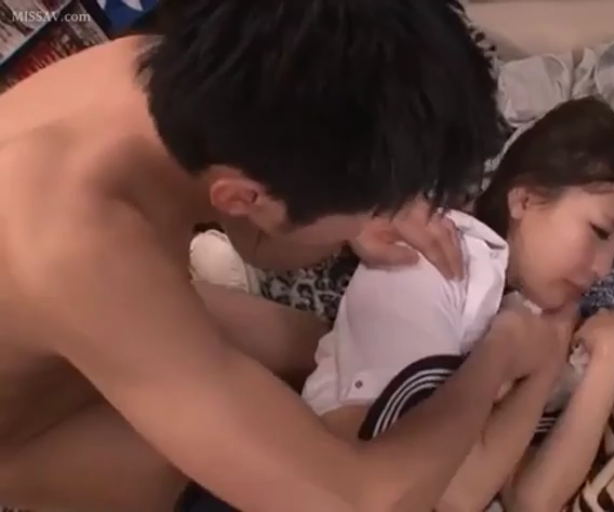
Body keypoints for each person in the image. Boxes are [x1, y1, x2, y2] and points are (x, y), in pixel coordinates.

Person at [0, 1, 568, 512]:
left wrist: (351, 218)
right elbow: (365, 502)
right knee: (181, 468)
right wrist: (498, 354)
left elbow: (258, 241)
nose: (384, 217)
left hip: (62, 319)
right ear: (243, 197)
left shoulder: (159, 72)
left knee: (318, 346)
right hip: (24, 431)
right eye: (373, 208)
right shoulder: (76, 242)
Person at [187, 98, 614, 512]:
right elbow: (448, 495)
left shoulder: (537, 315)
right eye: (599, 232)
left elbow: (533, 498)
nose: (603, 268)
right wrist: (524, 353)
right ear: (525, 200)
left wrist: (610, 360)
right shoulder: (437, 263)